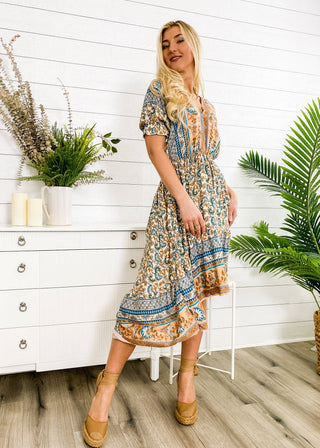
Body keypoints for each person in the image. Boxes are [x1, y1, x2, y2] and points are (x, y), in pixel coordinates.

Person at [82, 19, 238, 447]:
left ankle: (186, 380)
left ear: (193, 45)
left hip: (211, 211)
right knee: (150, 291)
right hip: (176, 207)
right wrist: (185, 200)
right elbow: (156, 150)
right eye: (165, 44)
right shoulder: (158, 91)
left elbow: (204, 159)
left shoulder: (206, 104)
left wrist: (225, 191)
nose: (172, 49)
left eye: (179, 41)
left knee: (200, 291)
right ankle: (106, 386)